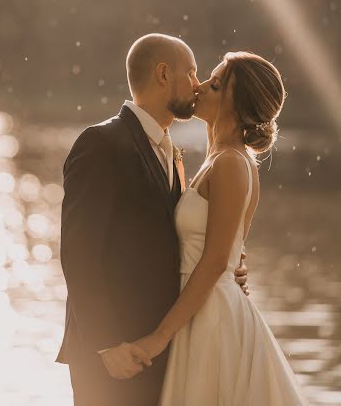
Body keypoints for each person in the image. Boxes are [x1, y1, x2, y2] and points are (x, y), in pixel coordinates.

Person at [56, 34, 249, 406]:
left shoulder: (171, 153)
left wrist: (229, 266)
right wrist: (105, 343)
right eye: (191, 72)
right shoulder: (101, 143)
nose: (197, 84)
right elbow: (78, 254)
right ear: (163, 74)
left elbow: (173, 240)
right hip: (111, 353)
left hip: (157, 348)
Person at [130, 51, 308, 405]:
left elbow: (214, 263)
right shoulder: (219, 159)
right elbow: (232, 254)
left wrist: (159, 337)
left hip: (212, 321)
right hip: (198, 310)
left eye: (214, 84)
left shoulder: (231, 164)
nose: (199, 88)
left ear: (236, 104)